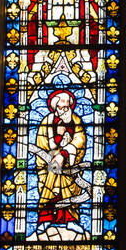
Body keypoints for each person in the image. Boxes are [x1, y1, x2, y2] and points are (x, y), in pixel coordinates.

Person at [31, 89, 88, 235]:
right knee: (50, 186)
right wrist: (57, 143)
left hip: (69, 165)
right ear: (55, 106)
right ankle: (45, 220)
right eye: (62, 107)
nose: (65, 109)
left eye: (67, 106)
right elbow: (42, 142)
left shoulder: (75, 121)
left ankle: (71, 220)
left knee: (69, 190)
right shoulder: (47, 121)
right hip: (50, 165)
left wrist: (64, 153)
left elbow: (80, 140)